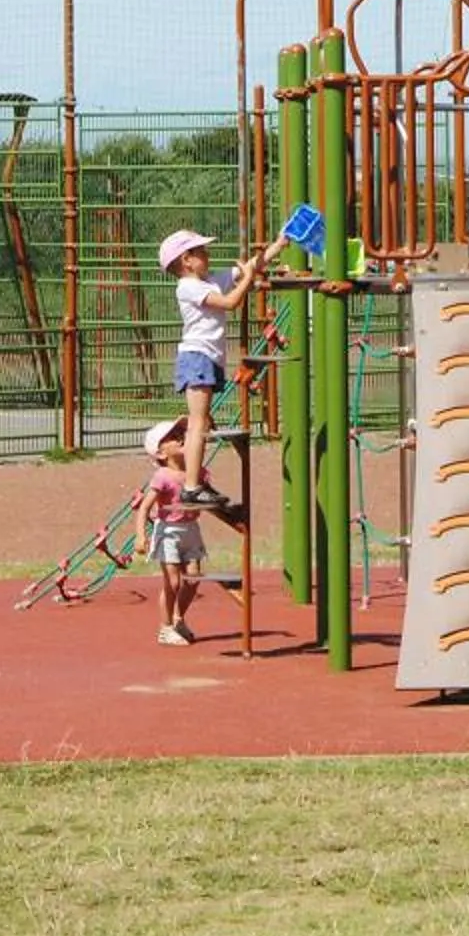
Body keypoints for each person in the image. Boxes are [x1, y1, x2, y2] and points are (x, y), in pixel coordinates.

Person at [158, 227, 280, 508]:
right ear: (186, 260)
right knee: (198, 422)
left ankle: (194, 483)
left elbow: (249, 266)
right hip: (197, 356)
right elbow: (230, 303)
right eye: (201, 251)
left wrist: (279, 244)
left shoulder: (209, 281)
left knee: (202, 422)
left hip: (209, 358)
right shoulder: (188, 287)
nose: (207, 255)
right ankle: (190, 486)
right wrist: (248, 280)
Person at [136, 417, 205, 646]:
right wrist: (141, 535)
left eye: (180, 433)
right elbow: (145, 507)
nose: (179, 437)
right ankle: (164, 628)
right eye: (172, 437)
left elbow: (206, 497)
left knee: (193, 579)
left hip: (191, 530)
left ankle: (178, 619)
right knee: (172, 582)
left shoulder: (198, 473)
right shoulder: (163, 476)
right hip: (169, 531)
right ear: (161, 454)